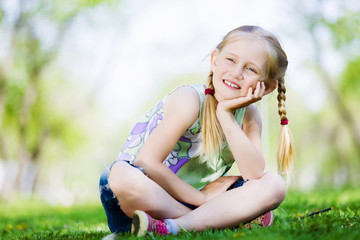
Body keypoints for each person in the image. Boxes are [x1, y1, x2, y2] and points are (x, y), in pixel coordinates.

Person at [99, 25, 294, 237]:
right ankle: (209, 220)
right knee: (120, 175)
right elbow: (146, 162)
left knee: (274, 185)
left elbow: (253, 174)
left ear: (265, 87)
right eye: (231, 60)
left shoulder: (249, 116)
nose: (236, 73)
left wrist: (226, 116)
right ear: (215, 60)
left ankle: (169, 228)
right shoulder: (189, 100)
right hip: (145, 193)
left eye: (251, 69)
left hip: (193, 199)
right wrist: (202, 200)